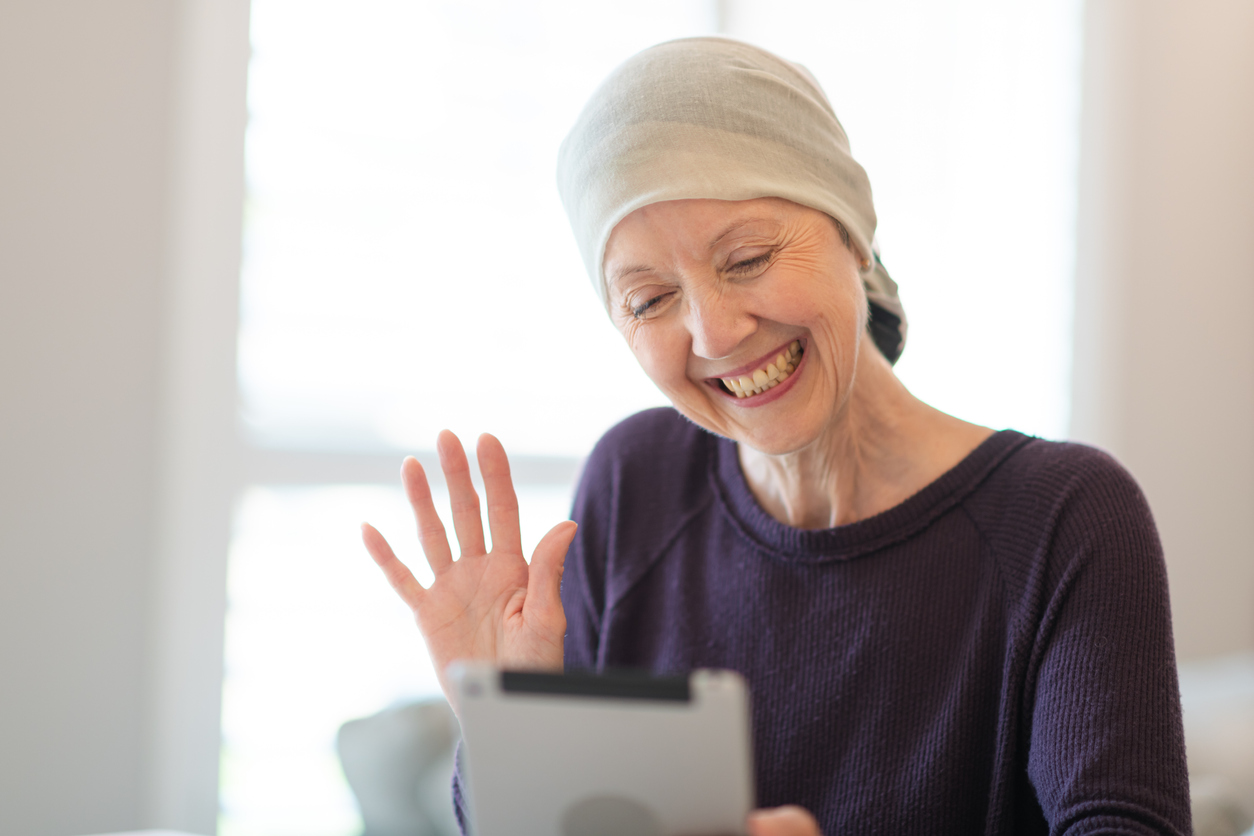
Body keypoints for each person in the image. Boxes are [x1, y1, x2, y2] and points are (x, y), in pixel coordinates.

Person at [361, 37, 1191, 836]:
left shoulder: (1064, 518)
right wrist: (509, 723)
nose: (716, 333)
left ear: (852, 233)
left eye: (748, 256)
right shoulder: (636, 480)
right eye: (649, 300)